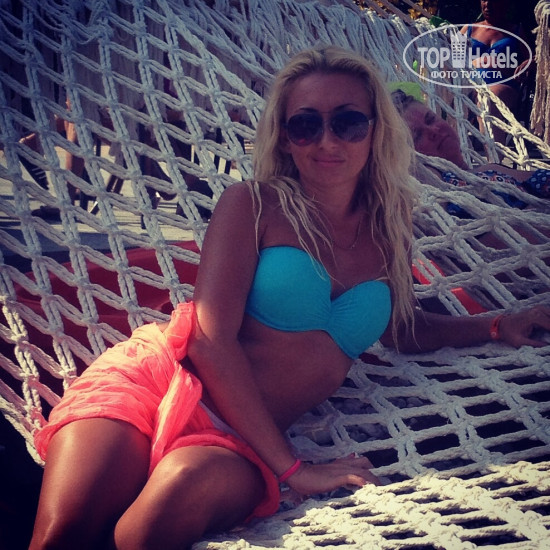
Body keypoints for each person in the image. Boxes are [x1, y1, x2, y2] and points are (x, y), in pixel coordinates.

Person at [29, 46, 550, 550]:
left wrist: (495, 326)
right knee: (61, 537)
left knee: (144, 533)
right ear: (284, 136)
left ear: (376, 129)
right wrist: (294, 469)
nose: (327, 141)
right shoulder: (252, 204)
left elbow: (402, 328)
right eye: (305, 125)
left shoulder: (390, 225)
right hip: (156, 381)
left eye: (348, 122)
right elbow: (209, 340)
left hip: (239, 439)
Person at [391, 88, 550, 211]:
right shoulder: (434, 187)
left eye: (431, 119)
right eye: (417, 135)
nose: (433, 131)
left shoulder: (490, 169)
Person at [461, 0, 532, 145]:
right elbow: (451, 58)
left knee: (488, 100)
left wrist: (528, 62)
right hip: (471, 85)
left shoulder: (516, 30)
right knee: (450, 95)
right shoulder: (469, 29)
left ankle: (495, 157)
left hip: (504, 84)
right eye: (484, 0)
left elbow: (534, 58)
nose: (488, 5)